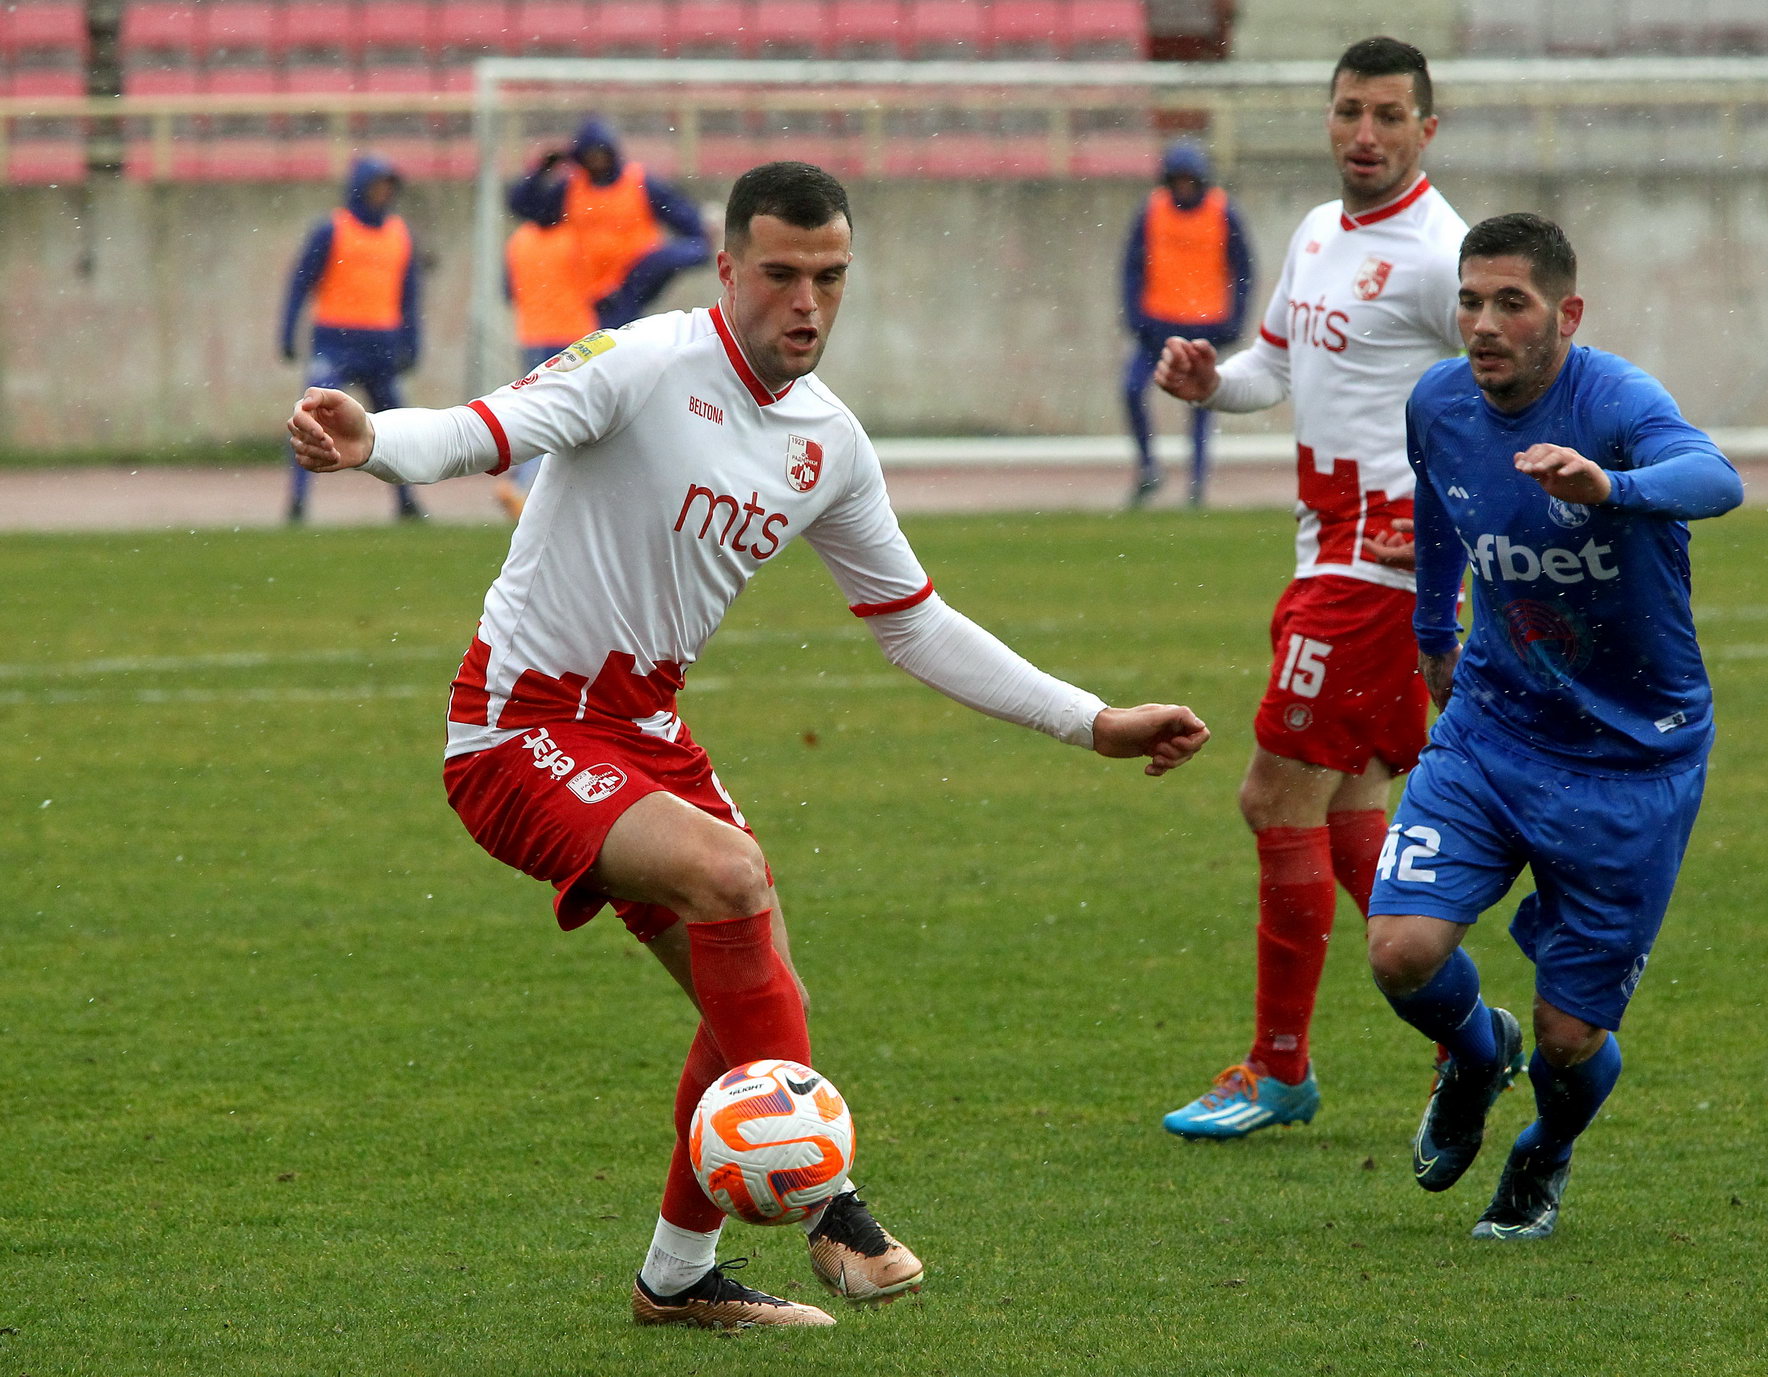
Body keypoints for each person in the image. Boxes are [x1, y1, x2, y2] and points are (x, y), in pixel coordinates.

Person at [286, 162, 1210, 1329]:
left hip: (646, 737)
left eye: (828, 277)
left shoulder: (827, 443)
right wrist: (371, 439)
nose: (806, 303)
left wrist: (1091, 721)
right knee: (733, 881)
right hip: (517, 731)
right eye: (779, 274)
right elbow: (482, 431)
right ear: (727, 268)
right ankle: (835, 1215)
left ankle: (676, 1282)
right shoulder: (641, 363)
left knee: (762, 1000)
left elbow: (914, 622)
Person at [1368, 212, 1743, 1240]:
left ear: (1564, 314)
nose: (1481, 324)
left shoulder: (1614, 401)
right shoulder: (1438, 402)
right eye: (1469, 301)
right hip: (1493, 722)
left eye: (1510, 303)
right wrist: (1430, 627)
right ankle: (1474, 1054)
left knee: (1570, 1038)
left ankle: (1543, 1151)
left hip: (1631, 757)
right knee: (1398, 950)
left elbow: (1715, 478)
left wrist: (1610, 488)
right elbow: (1441, 510)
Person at [1151, 36, 1467, 1140]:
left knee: (1268, 797)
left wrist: (1437, 524)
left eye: (1387, 115)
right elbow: (1274, 368)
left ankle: (1278, 1070)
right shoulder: (1316, 234)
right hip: (1320, 546)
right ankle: (1463, 1033)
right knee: (1344, 814)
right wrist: (1209, 382)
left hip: (1371, 570)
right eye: (1347, 112)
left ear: (1426, 129)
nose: (1363, 134)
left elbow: (1507, 394)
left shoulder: (1443, 254)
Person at [278, 154, 425, 524]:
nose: (383, 194)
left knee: (395, 426)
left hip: (381, 346)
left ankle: (406, 500)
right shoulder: (332, 229)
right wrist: (287, 330)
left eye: (388, 187)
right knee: (310, 419)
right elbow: (300, 283)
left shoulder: (400, 234)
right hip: (335, 342)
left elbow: (410, 297)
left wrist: (412, 342)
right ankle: (297, 500)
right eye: (377, 186)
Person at [1120, 139, 1253, 507]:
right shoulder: (1152, 210)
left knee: (1200, 406)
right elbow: (1132, 267)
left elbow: (1243, 270)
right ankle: (1149, 467)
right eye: (1176, 180)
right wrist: (1134, 316)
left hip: (1203, 325)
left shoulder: (1222, 211)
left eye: (1189, 180)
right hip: (1156, 325)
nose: (1183, 187)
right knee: (1132, 389)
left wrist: (1234, 319)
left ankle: (1196, 483)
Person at [507, 117, 711, 330]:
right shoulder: (572, 188)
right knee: (614, 336)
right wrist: (542, 171)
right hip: (601, 288)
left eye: (600, 154)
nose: (597, 162)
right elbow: (527, 208)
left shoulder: (638, 181)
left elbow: (680, 212)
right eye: (590, 156)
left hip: (638, 271)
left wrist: (698, 239)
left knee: (679, 253)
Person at [494, 195, 599, 520]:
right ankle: (524, 486)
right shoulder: (574, 237)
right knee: (564, 416)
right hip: (574, 336)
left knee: (536, 409)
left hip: (532, 335)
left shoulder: (519, 241)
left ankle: (520, 479)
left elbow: (507, 290)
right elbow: (598, 281)